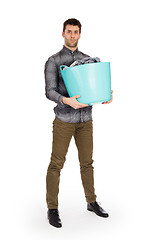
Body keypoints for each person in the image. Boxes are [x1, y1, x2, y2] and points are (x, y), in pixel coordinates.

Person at [44, 18, 113, 228]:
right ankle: (52, 208)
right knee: (56, 164)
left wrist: (104, 94)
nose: (72, 35)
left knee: (87, 163)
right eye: (69, 31)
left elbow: (93, 86)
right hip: (64, 119)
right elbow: (49, 91)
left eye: (75, 32)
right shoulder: (54, 61)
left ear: (80, 34)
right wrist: (66, 100)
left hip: (86, 120)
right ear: (63, 33)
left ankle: (91, 202)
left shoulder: (88, 59)